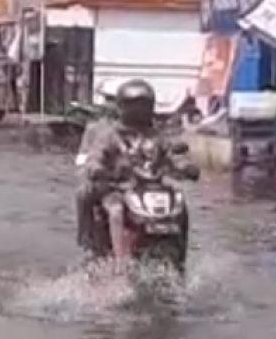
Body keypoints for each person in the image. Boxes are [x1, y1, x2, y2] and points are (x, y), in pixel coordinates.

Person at [75, 79, 198, 251]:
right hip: (119, 188)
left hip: (152, 188)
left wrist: (185, 166)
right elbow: (96, 155)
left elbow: (173, 153)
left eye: (144, 106)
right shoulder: (110, 135)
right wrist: (97, 168)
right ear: (122, 108)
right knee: (116, 211)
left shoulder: (158, 135)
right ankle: (120, 265)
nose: (140, 112)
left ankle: (180, 257)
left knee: (180, 205)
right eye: (135, 106)